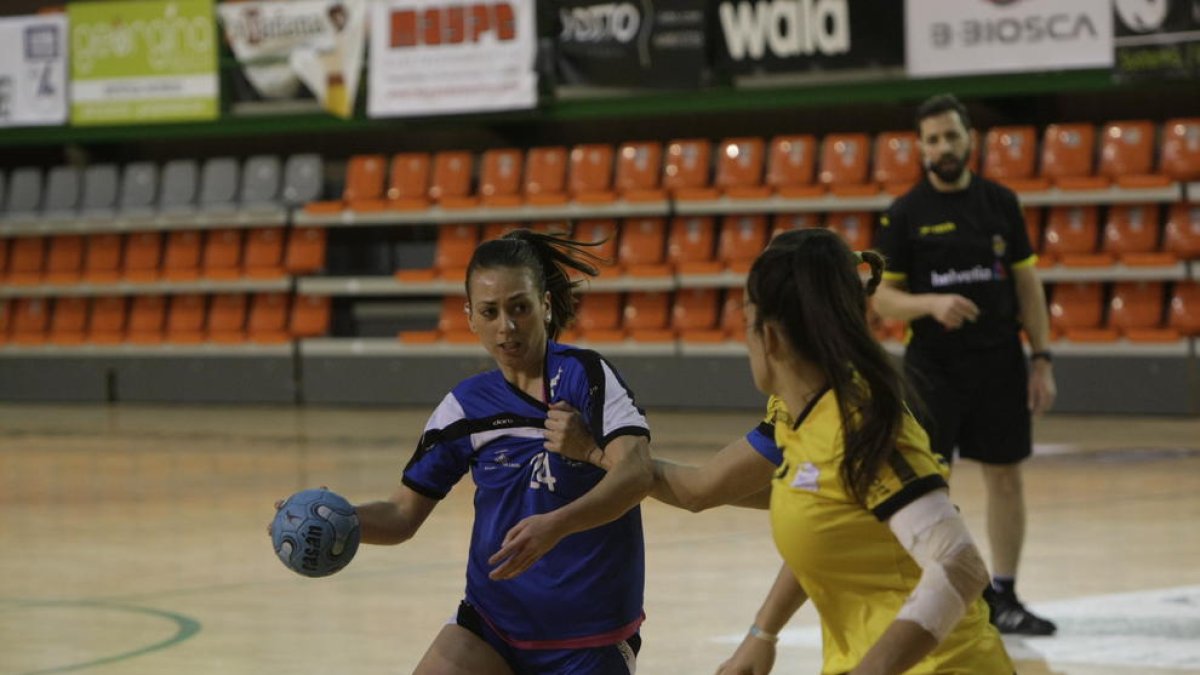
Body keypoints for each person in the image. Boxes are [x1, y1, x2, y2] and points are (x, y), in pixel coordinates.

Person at [546, 228, 1013, 674]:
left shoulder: (861, 424)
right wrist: (762, 633)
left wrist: (595, 453)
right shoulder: (801, 418)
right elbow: (826, 524)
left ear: (768, 336)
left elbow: (959, 564)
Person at [275, 229, 655, 675]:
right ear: (470, 316)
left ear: (546, 306)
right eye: (490, 312)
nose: (506, 327)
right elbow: (402, 515)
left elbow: (636, 474)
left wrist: (556, 526)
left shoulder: (585, 375)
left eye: (520, 308)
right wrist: (336, 520)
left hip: (588, 638)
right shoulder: (465, 408)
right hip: (492, 625)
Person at [871, 93, 1058, 635]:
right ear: (920, 148)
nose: (943, 147)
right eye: (933, 139)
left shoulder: (1001, 203)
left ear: (968, 138)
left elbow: (1027, 284)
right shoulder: (905, 214)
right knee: (932, 484)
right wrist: (930, 304)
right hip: (933, 368)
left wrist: (1041, 358)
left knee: (1005, 478)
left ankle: (1005, 596)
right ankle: (941, 592)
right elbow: (882, 300)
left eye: (951, 136)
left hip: (1001, 359)